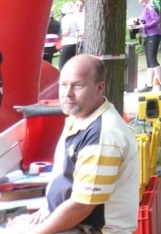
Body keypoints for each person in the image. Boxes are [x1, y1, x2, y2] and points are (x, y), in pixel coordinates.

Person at [5, 55, 139, 233]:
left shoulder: (102, 136)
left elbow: (81, 207)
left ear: (99, 88)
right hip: (78, 222)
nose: (67, 93)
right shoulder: (81, 118)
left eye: (77, 85)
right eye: (63, 84)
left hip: (95, 229)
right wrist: (46, 211)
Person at [136, 0, 161, 92]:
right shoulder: (144, 7)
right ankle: (149, 85)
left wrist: (145, 26)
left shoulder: (149, 6)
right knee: (149, 60)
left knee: (152, 59)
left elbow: (156, 19)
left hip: (154, 34)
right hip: (148, 35)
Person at [58, 2, 79, 70]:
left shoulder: (65, 19)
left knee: (62, 64)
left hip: (67, 42)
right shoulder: (75, 18)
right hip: (75, 42)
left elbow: (67, 32)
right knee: (71, 63)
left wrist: (59, 35)